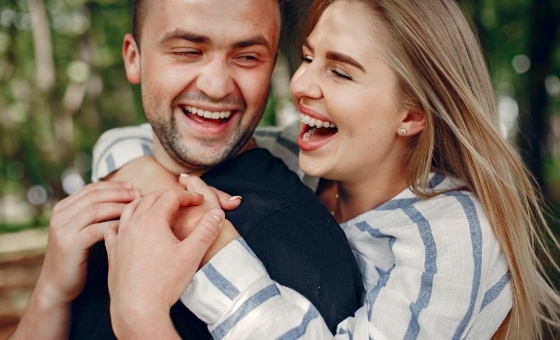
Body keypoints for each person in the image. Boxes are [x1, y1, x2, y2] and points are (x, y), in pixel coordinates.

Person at [96, 0, 560, 339]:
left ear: (412, 114)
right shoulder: (294, 162)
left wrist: (201, 232)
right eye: (308, 57)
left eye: (339, 71)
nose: (299, 84)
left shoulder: (450, 234)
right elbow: (124, 141)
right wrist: (158, 185)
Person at [8, 0, 364, 339]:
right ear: (134, 59)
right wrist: (51, 293)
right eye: (187, 51)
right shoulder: (108, 196)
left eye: (247, 57)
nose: (216, 86)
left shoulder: (296, 241)